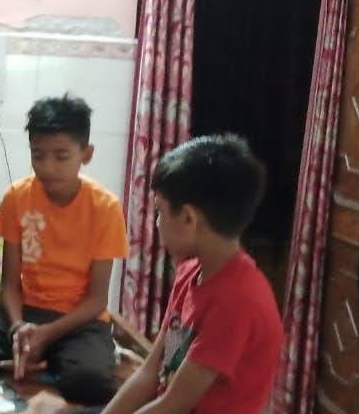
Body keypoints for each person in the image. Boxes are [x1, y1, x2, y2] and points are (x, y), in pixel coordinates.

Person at [0, 94, 128, 405]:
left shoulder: (105, 208)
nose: (48, 167)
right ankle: (39, 354)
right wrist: (18, 328)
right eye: (38, 155)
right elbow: (9, 285)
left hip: (78, 321)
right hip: (24, 313)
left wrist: (47, 334)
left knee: (89, 382)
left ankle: (48, 356)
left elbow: (97, 300)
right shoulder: (17, 197)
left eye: (61, 156)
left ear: (86, 154)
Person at [102, 134, 282, 414]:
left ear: (188, 217)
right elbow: (152, 372)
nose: (157, 223)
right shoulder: (190, 274)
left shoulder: (238, 301)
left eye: (160, 211)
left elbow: (172, 404)